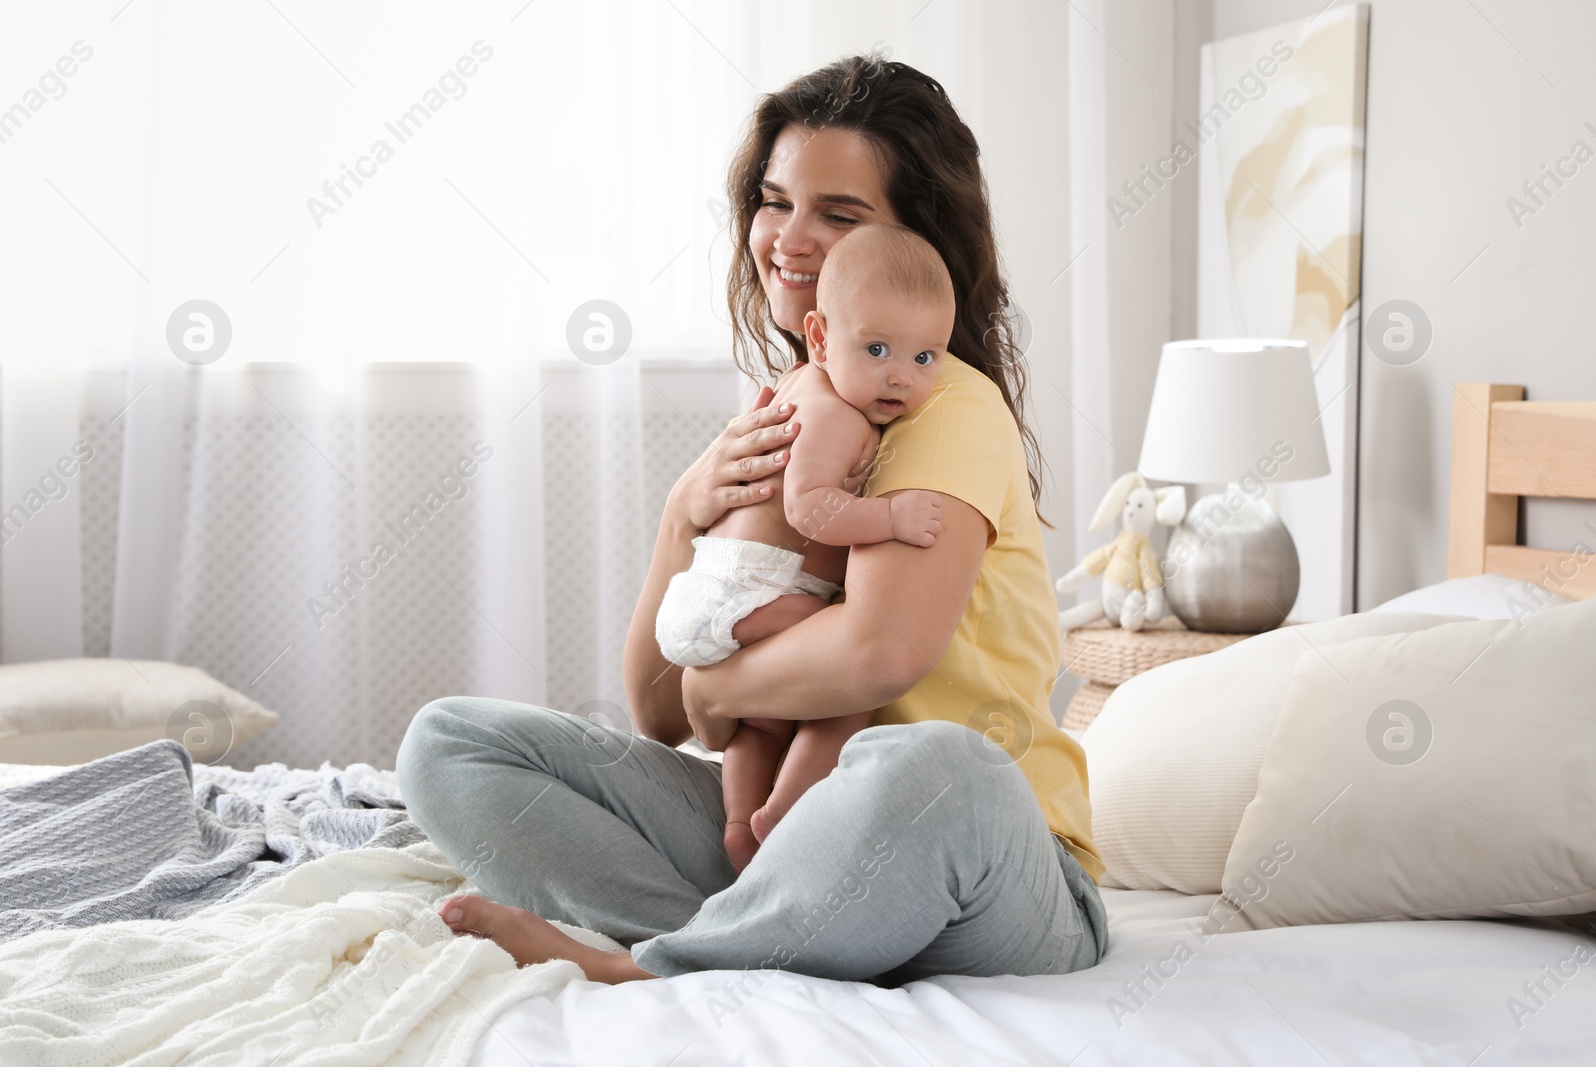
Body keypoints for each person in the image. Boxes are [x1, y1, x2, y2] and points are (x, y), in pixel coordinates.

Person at [396, 52, 1110, 987]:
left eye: (839, 213)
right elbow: (657, 707)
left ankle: (653, 963)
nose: (788, 237)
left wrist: (721, 690)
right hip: (799, 829)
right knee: (450, 742)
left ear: (919, 244)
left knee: (941, 765)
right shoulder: (791, 411)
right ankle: (767, 938)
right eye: (775, 201)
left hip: (994, 871)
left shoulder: (951, 407)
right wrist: (680, 515)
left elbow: (876, 656)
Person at [655, 221, 954, 872]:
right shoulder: (835, 412)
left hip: (720, 593)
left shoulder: (800, 385)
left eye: (924, 358)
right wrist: (890, 516)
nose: (900, 378)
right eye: (877, 349)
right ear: (820, 338)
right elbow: (809, 508)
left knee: (764, 720)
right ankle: (787, 814)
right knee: (847, 684)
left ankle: (742, 824)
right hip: (745, 591)